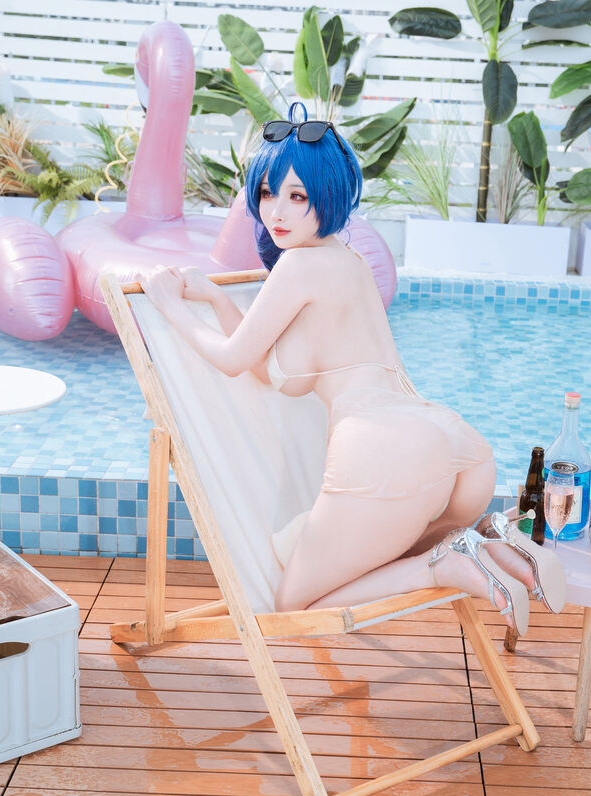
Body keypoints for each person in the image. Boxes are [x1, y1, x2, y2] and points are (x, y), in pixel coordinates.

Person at [143, 106, 565, 634]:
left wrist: (170, 305)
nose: (277, 211)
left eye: (298, 196)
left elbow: (232, 360)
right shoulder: (349, 259)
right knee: (405, 548)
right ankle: (498, 544)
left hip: (382, 454)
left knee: (292, 602)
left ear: (329, 194)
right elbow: (260, 360)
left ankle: (445, 565)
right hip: (455, 447)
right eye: (269, 192)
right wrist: (213, 296)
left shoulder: (297, 265)